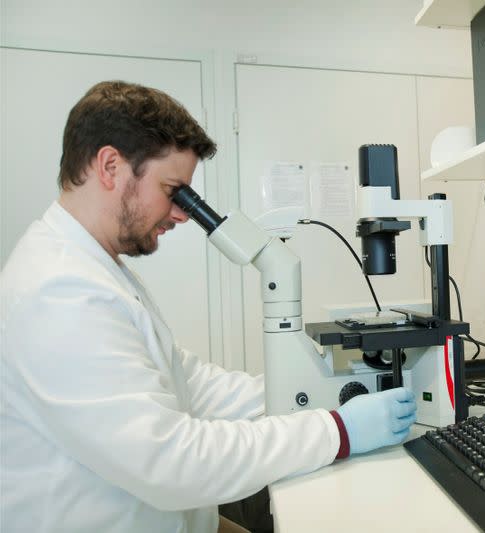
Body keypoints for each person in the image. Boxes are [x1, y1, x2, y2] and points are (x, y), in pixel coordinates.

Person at [0, 80, 417, 533]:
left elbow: (188, 382)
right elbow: (169, 462)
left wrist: (311, 392)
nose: (181, 213)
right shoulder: (58, 292)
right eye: (173, 190)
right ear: (110, 165)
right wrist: (336, 431)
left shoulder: (95, 266)